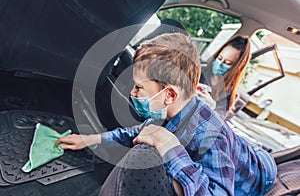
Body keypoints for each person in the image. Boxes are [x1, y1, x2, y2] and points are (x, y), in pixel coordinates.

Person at [56, 33, 276, 195]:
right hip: (236, 148)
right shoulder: (165, 113)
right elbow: (137, 131)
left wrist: (170, 146)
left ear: (170, 95)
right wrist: (91, 139)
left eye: (139, 87)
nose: (132, 93)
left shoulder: (209, 137)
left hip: (260, 173)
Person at [199, 35, 251, 118]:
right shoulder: (199, 70)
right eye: (219, 58)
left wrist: (209, 107)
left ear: (237, 67)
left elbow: (216, 121)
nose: (220, 64)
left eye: (227, 63)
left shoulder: (229, 95)